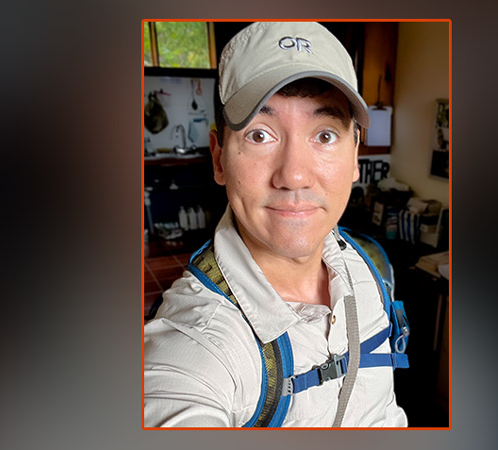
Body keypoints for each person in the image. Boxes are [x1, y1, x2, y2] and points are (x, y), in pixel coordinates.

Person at [144, 21, 408, 427]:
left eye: (324, 136)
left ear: (355, 153)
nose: (294, 175)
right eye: (260, 135)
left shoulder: (362, 267)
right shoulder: (197, 346)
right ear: (219, 158)